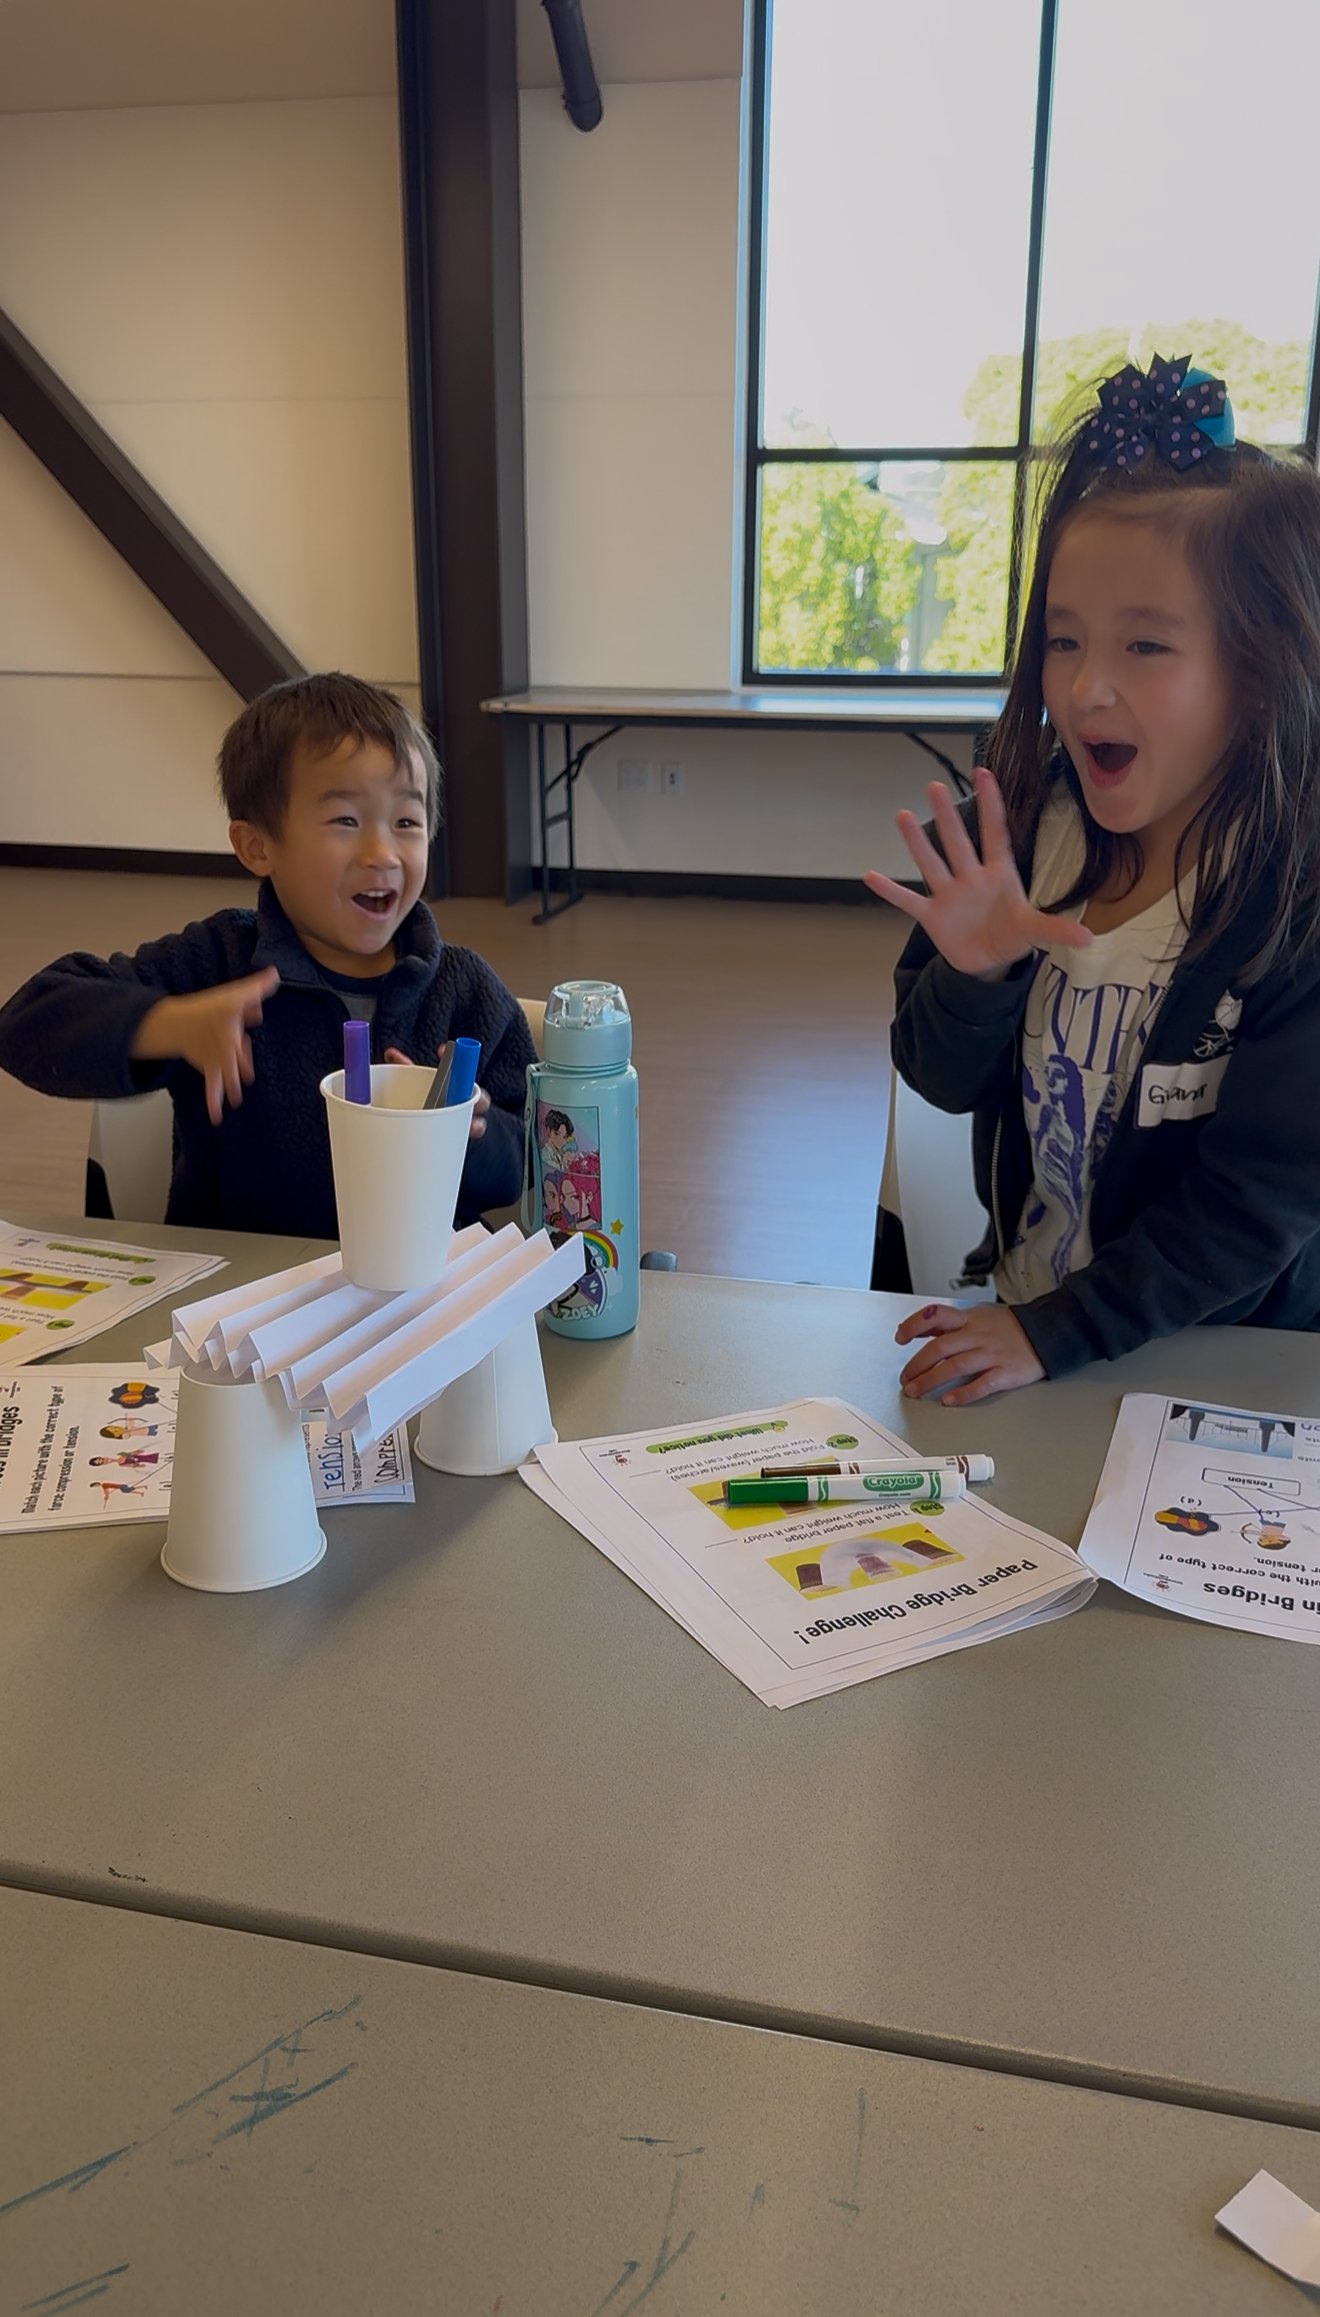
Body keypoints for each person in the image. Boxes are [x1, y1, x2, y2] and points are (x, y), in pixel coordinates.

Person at [866, 355, 1320, 1404]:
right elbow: (935, 1077)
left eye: (1146, 644)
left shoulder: (1289, 896)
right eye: (1062, 639)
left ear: (1258, 674)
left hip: (1221, 1359)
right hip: (1031, 1332)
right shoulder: (1027, 833)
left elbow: (1260, 1203)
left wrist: (1062, 1329)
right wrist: (975, 978)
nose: (1083, 685)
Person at [0, 674, 535, 1239]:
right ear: (257, 845)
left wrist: (473, 1134)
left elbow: (528, 1161)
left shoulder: (464, 989)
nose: (383, 853)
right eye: (345, 821)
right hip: (236, 1302)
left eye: (406, 821)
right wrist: (172, 1024)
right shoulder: (220, 962)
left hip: (411, 1303)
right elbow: (26, 1022)